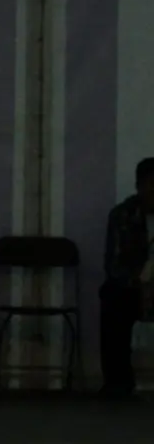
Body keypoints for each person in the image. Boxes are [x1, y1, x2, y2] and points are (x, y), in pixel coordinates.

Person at [98, 157, 154, 397]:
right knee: (112, 296)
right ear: (139, 187)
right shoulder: (122, 215)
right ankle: (118, 381)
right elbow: (114, 265)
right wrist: (140, 284)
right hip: (134, 288)